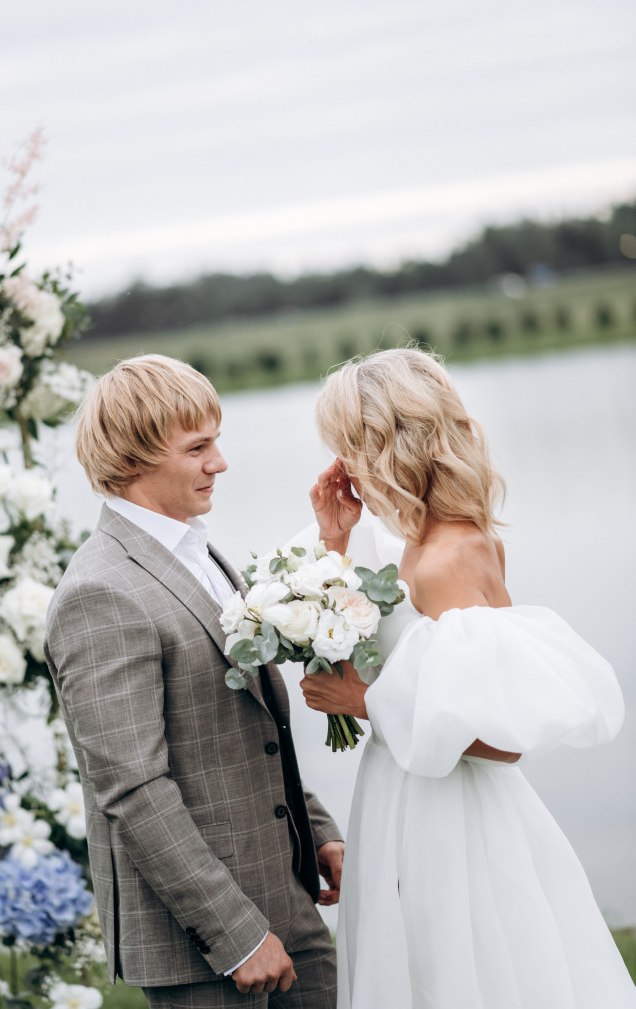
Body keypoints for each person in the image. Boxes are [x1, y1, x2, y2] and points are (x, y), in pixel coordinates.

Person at [298, 347, 635, 1008]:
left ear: (384, 445)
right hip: (403, 799)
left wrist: (364, 704)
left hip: (450, 820)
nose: (342, 465)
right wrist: (334, 541)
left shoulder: (452, 557)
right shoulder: (418, 542)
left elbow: (501, 740)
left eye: (348, 445)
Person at [43, 354, 343, 1008]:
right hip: (205, 944)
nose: (221, 462)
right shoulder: (99, 592)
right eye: (198, 447)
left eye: (218, 440)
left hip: (287, 894)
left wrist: (318, 832)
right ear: (133, 458)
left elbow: (247, 728)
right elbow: (132, 789)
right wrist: (234, 936)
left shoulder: (200, 551)